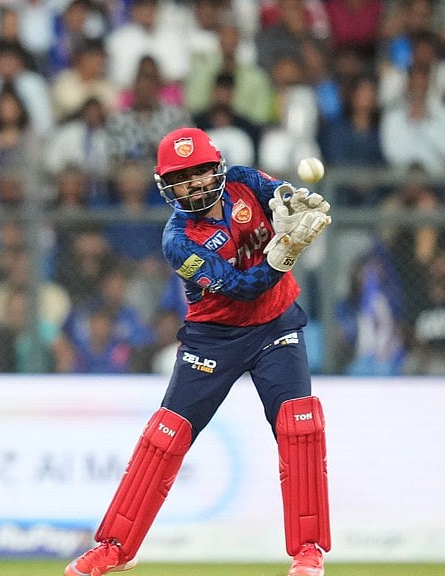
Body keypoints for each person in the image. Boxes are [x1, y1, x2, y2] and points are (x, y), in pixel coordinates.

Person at [65, 127, 332, 576]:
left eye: (201, 172)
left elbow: (278, 192)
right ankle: (113, 548)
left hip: (277, 326)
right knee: (165, 436)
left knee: (298, 424)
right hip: (215, 338)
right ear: (167, 187)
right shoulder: (179, 241)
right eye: (182, 178)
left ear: (219, 168)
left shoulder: (245, 181)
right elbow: (241, 289)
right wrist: (283, 253)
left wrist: (292, 200)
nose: (195, 184)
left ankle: (308, 551)